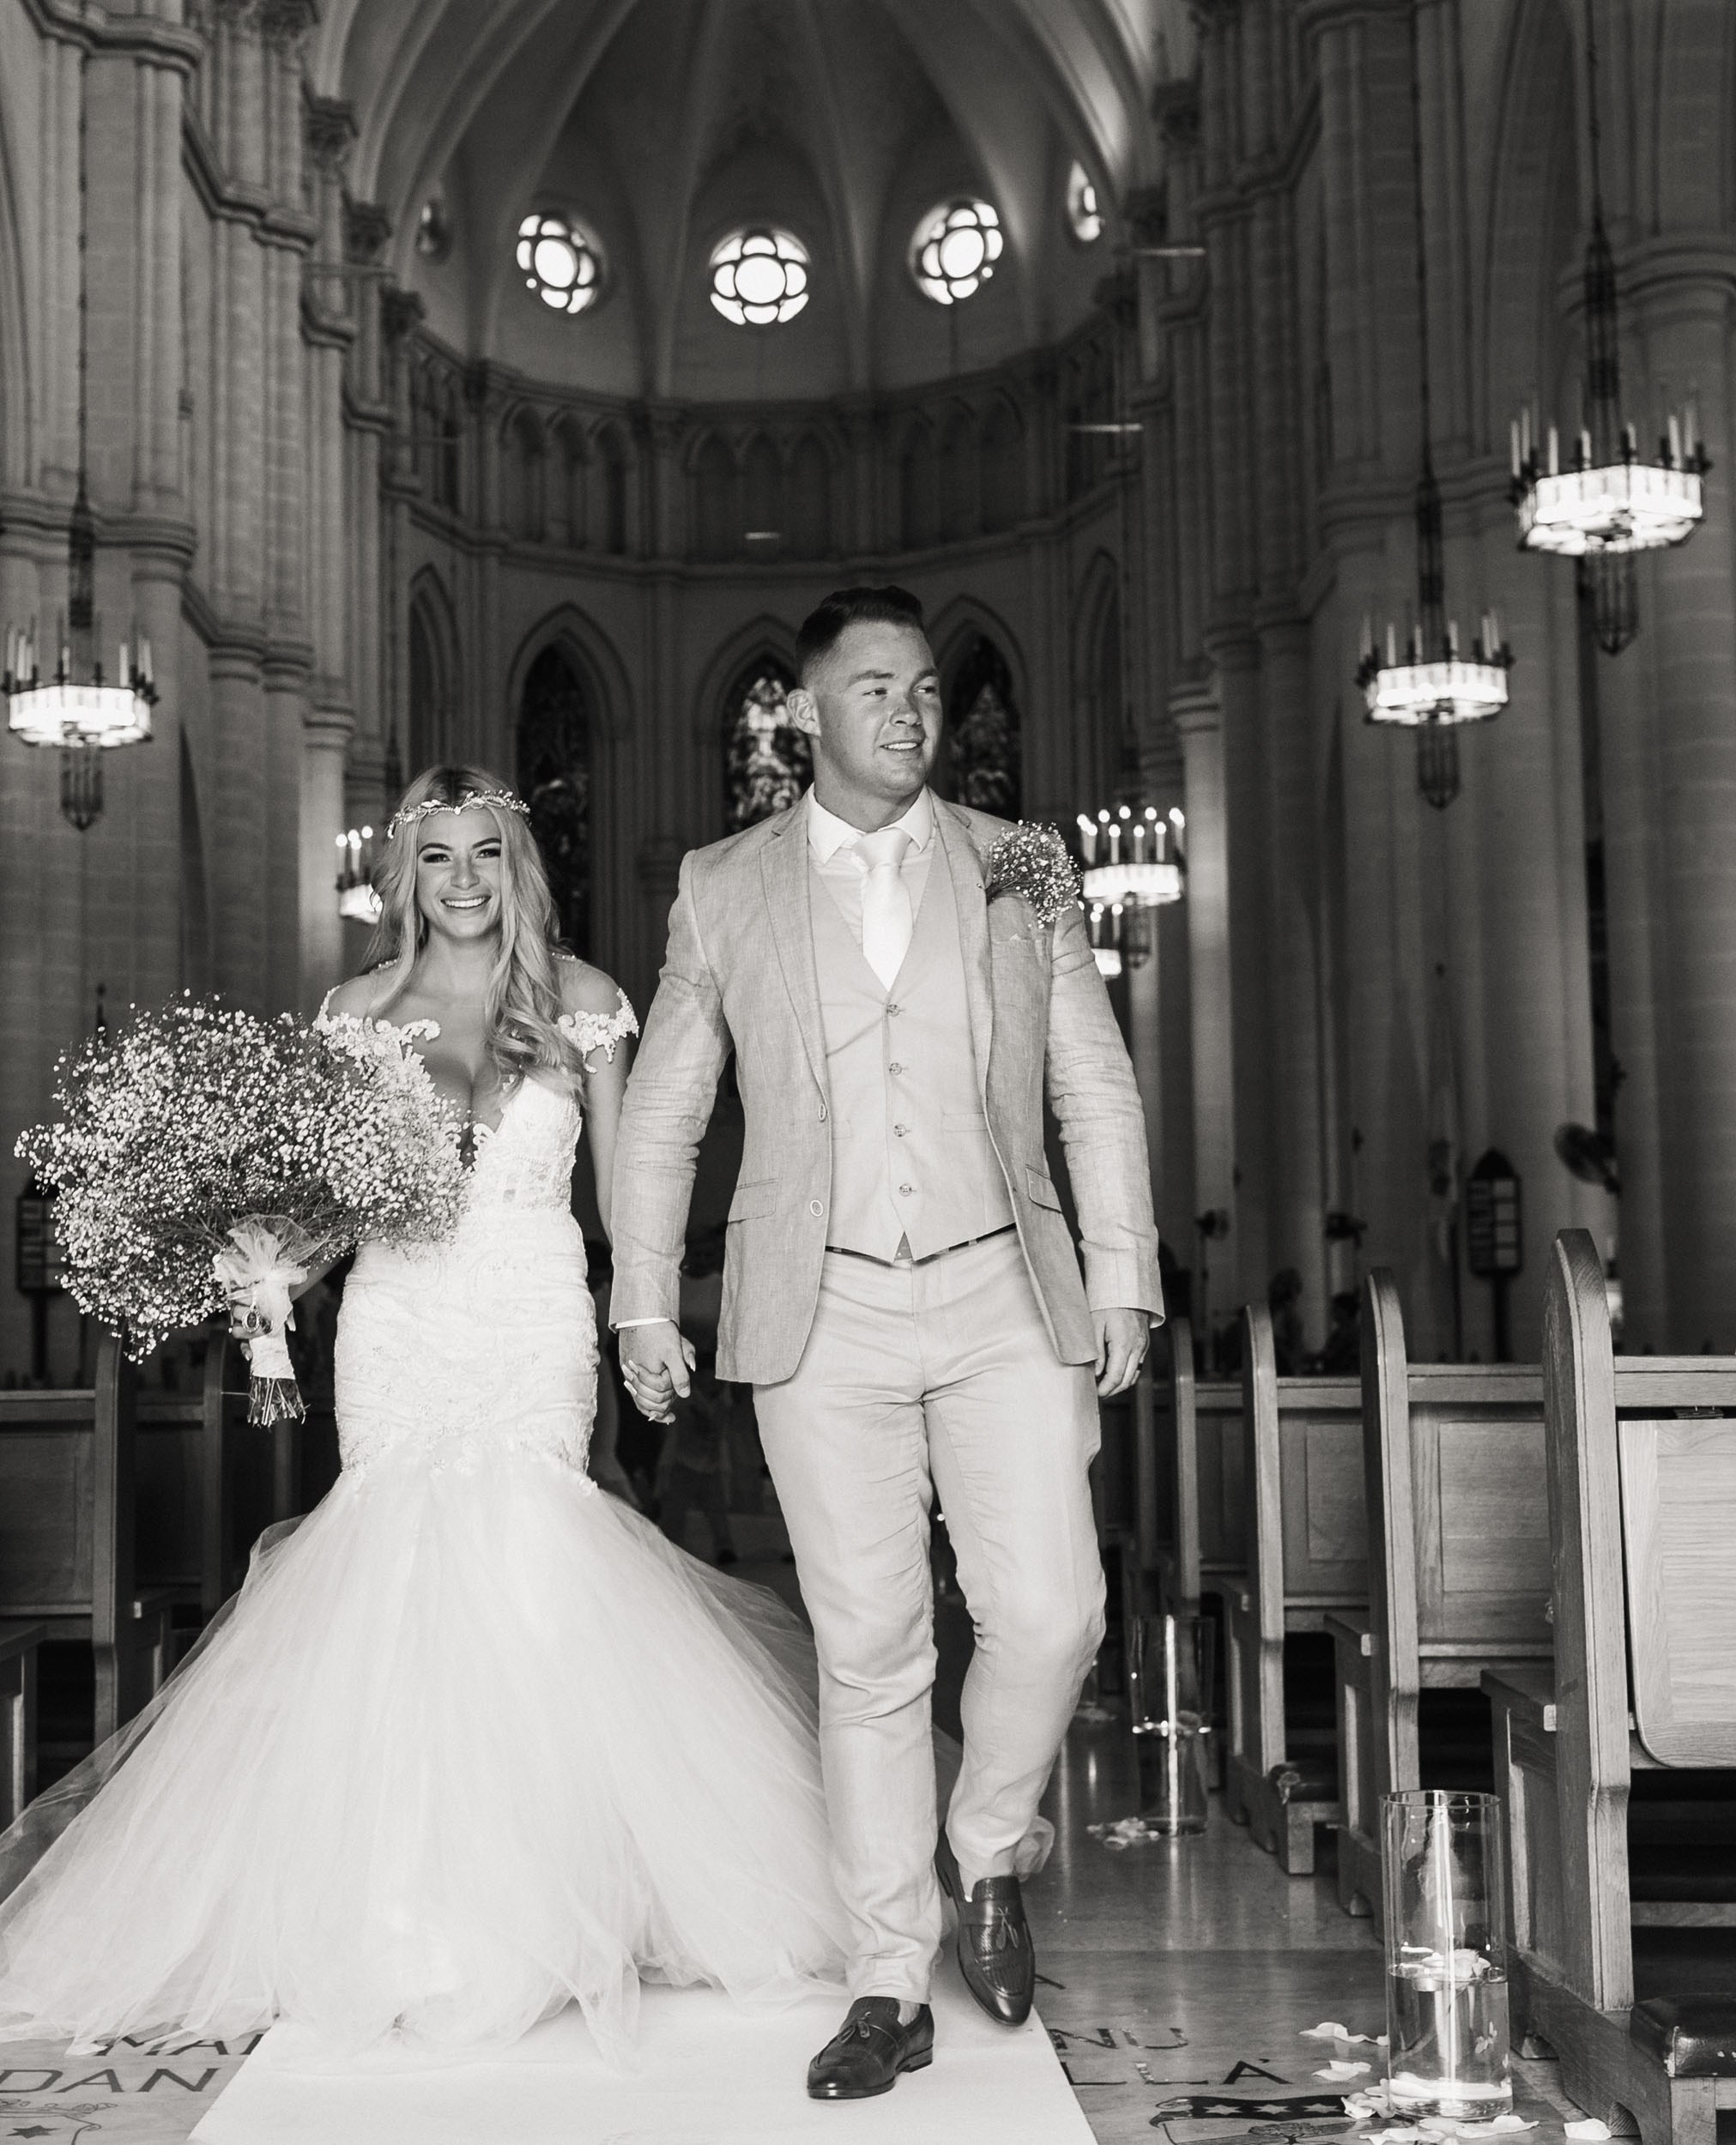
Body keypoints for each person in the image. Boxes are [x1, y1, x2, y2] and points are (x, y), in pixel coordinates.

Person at [0, 764, 850, 2062]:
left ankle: (553, 1898)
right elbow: (329, 1207)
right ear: (407, 877)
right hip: (399, 1322)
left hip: (530, 1313)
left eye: (485, 855)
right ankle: (401, 1912)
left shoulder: (587, 1005)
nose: (462, 882)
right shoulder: (354, 1013)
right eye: (438, 858)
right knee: (390, 1570)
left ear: (520, 866)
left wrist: (648, 1317)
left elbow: (627, 1195)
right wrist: (266, 1265)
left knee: (531, 1568)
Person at [611, 584, 1163, 2101]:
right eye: (873, 690)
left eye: (924, 689)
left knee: (1052, 1615)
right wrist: (645, 1295)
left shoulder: (1023, 865)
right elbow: (665, 1106)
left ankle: (989, 1850)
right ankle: (881, 1979)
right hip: (821, 1303)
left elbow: (1093, 1085)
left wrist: (1121, 1271)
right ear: (803, 712)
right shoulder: (722, 883)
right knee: (868, 1654)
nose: (909, 713)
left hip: (1003, 1289)